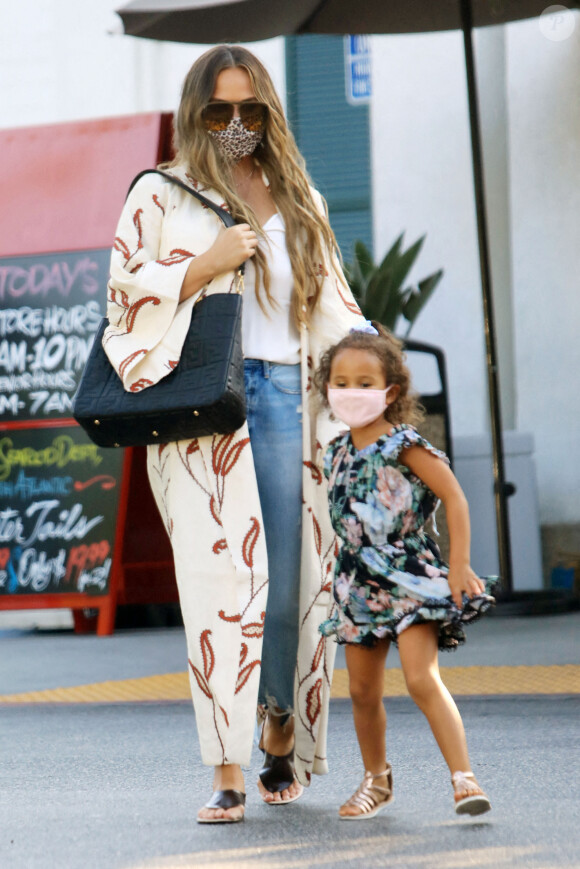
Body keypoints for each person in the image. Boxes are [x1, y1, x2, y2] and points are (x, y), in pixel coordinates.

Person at [104, 44, 366, 823]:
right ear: (196, 112)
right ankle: (224, 767)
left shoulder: (299, 196)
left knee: (288, 582)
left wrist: (376, 385)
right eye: (220, 111)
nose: (236, 125)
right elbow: (124, 291)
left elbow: (336, 310)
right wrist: (205, 263)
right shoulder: (162, 194)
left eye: (250, 110)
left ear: (269, 113)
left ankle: (278, 724)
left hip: (286, 394)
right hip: (202, 406)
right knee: (217, 590)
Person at [314, 323, 496, 820]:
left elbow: (455, 497)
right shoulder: (334, 453)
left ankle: (464, 777)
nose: (353, 392)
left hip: (409, 577)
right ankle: (376, 779)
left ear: (390, 391)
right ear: (327, 389)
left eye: (366, 382)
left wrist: (458, 565)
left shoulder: (405, 444)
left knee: (421, 679)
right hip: (356, 583)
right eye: (342, 382)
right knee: (361, 691)